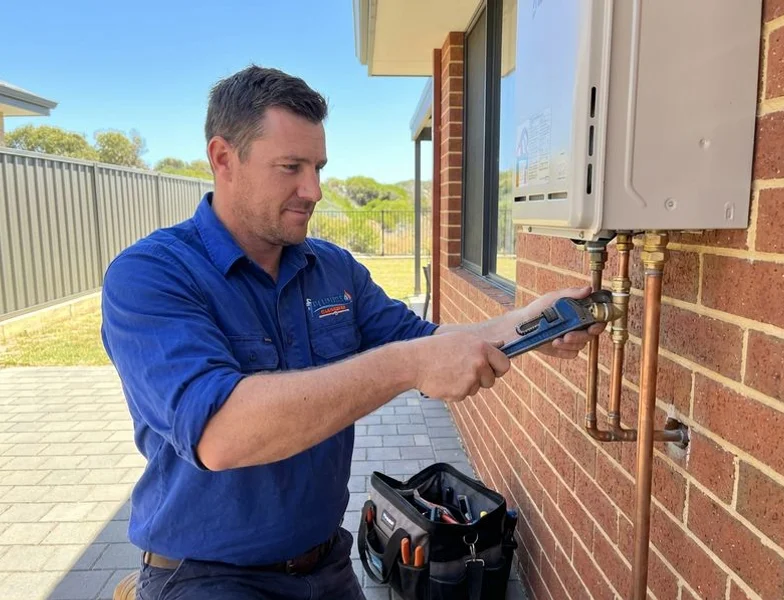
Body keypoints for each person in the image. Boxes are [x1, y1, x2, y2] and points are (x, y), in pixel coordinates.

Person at [100, 65, 604, 600]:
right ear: (223, 158)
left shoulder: (333, 269)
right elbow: (221, 434)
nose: (314, 190)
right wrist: (407, 365)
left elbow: (427, 342)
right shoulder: (152, 275)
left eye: (317, 167)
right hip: (207, 576)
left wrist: (531, 321)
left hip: (326, 564)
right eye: (291, 167)